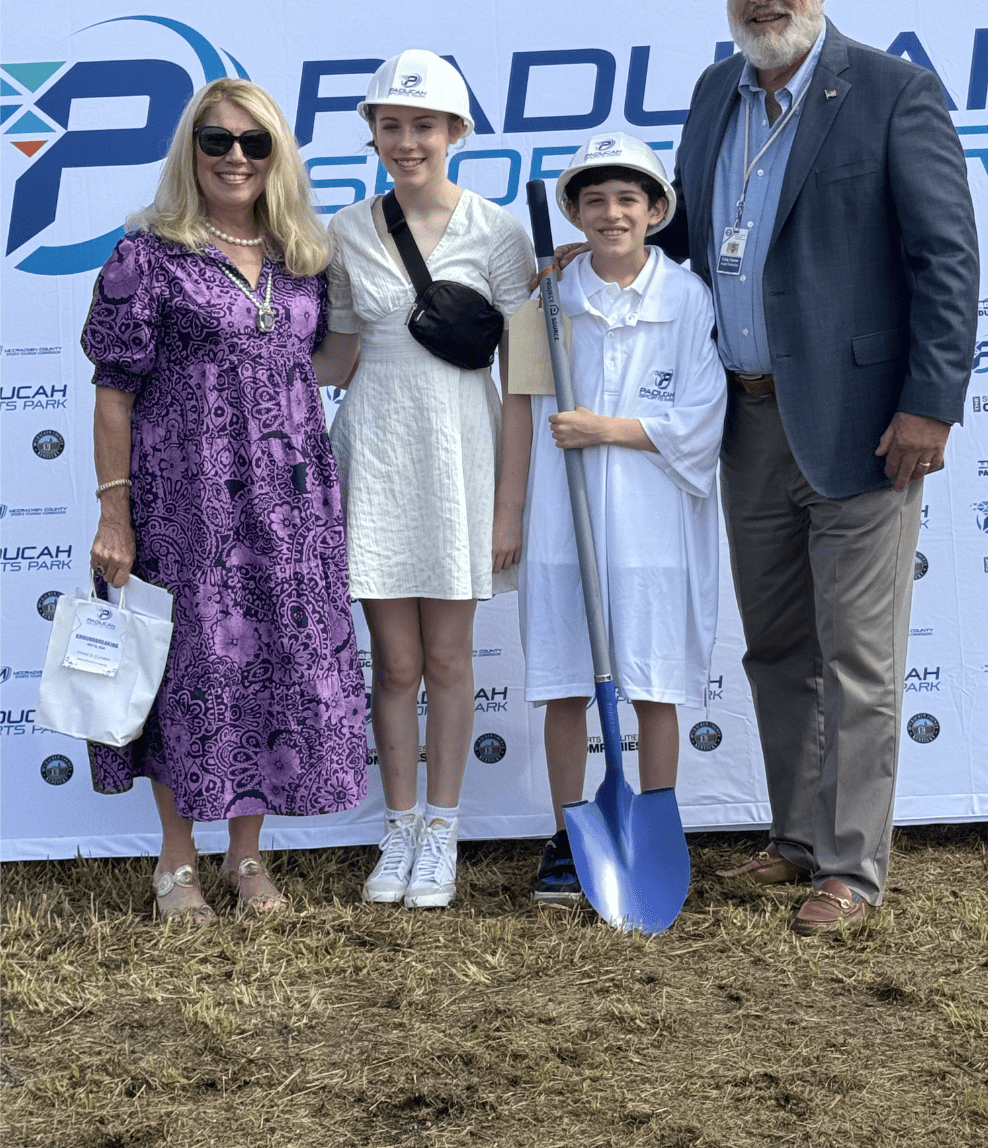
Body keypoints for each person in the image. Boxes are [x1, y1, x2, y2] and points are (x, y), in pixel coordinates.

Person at [648, 0, 980, 932]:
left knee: (859, 660)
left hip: (864, 424)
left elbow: (945, 259)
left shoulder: (890, 92)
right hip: (746, 423)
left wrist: (929, 402)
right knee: (777, 646)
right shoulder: (714, 94)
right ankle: (797, 837)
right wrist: (603, 252)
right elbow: (690, 238)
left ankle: (852, 865)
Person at [83, 78, 367, 921]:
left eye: (255, 143)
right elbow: (113, 393)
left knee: (270, 669)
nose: (235, 157)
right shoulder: (147, 254)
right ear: (191, 150)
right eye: (217, 141)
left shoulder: (302, 257)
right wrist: (113, 511)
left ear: (277, 155)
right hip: (186, 506)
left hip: (289, 512)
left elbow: (327, 362)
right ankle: (177, 862)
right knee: (187, 671)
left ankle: (248, 859)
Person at [323, 50, 534, 909]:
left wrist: (507, 504)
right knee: (395, 662)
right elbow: (337, 354)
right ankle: (399, 825)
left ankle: (443, 831)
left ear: (456, 133)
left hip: (462, 459)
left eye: (425, 125)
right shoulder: (341, 230)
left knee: (448, 657)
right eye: (392, 125)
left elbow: (523, 380)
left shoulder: (500, 231)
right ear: (373, 132)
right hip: (373, 454)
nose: (408, 141)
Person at [518, 135, 727, 904]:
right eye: (595, 200)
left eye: (629, 199)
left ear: (657, 211)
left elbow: (703, 419)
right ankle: (570, 836)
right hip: (561, 524)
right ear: (572, 213)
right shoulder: (548, 296)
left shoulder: (687, 298)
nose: (612, 214)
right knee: (566, 683)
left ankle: (654, 823)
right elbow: (520, 405)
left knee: (655, 683)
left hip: (653, 525)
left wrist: (606, 428)